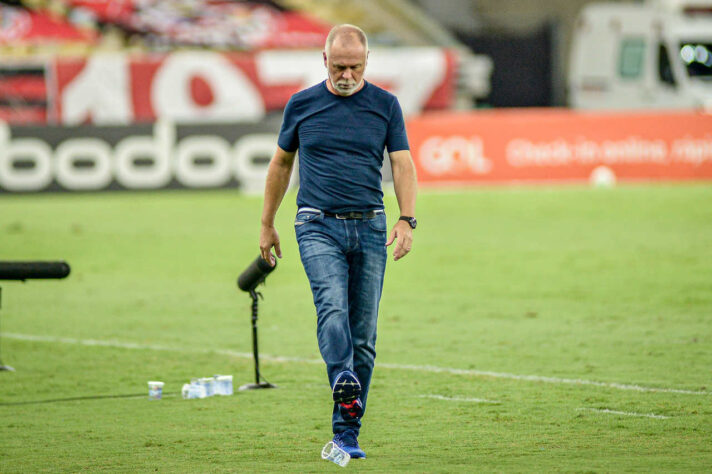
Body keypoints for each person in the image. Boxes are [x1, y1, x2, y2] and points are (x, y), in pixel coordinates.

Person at [258, 24, 417, 459]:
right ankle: (342, 379)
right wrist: (267, 222)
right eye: (340, 66)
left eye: (356, 67)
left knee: (363, 337)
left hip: (370, 226)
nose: (347, 75)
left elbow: (401, 163)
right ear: (323, 61)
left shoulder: (386, 106)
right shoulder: (301, 105)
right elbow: (280, 164)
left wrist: (406, 219)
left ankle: (346, 434)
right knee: (332, 306)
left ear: (367, 63)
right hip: (316, 224)